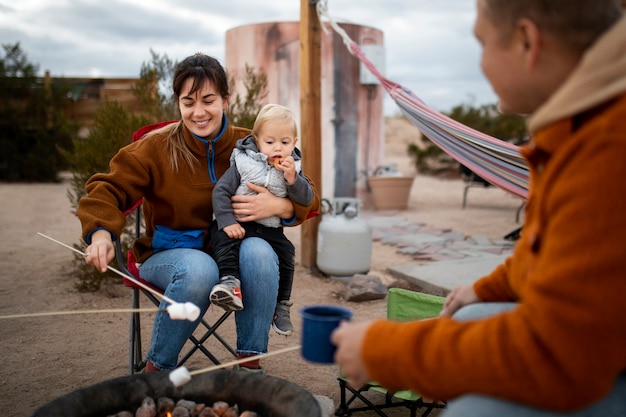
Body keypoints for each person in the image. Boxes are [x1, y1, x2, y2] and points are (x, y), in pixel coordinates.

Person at [332, 1, 626, 415]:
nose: (481, 63)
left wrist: (383, 350)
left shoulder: (608, 148)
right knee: (473, 315)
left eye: (483, 43)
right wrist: (481, 289)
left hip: (588, 362)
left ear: (527, 41)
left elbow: (558, 356)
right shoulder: (579, 125)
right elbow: (548, 255)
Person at [77, 53, 320, 372]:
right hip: (171, 254)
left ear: (225, 100)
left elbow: (310, 192)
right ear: (177, 102)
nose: (199, 111)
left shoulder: (252, 144)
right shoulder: (156, 148)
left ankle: (249, 366)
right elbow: (107, 189)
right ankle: (157, 372)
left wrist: (282, 205)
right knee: (201, 270)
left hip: (230, 250)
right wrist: (100, 234)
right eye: (188, 101)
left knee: (260, 251)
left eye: (208, 100)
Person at [209, 103, 314, 337]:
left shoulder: (293, 167)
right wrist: (227, 221)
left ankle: (282, 306)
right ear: (257, 140)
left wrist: (292, 179)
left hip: (269, 228)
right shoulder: (243, 161)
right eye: (270, 142)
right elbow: (221, 192)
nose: (278, 148)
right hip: (238, 221)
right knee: (223, 237)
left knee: (287, 254)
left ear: (294, 142)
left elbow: (307, 199)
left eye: (285, 143)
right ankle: (229, 284)